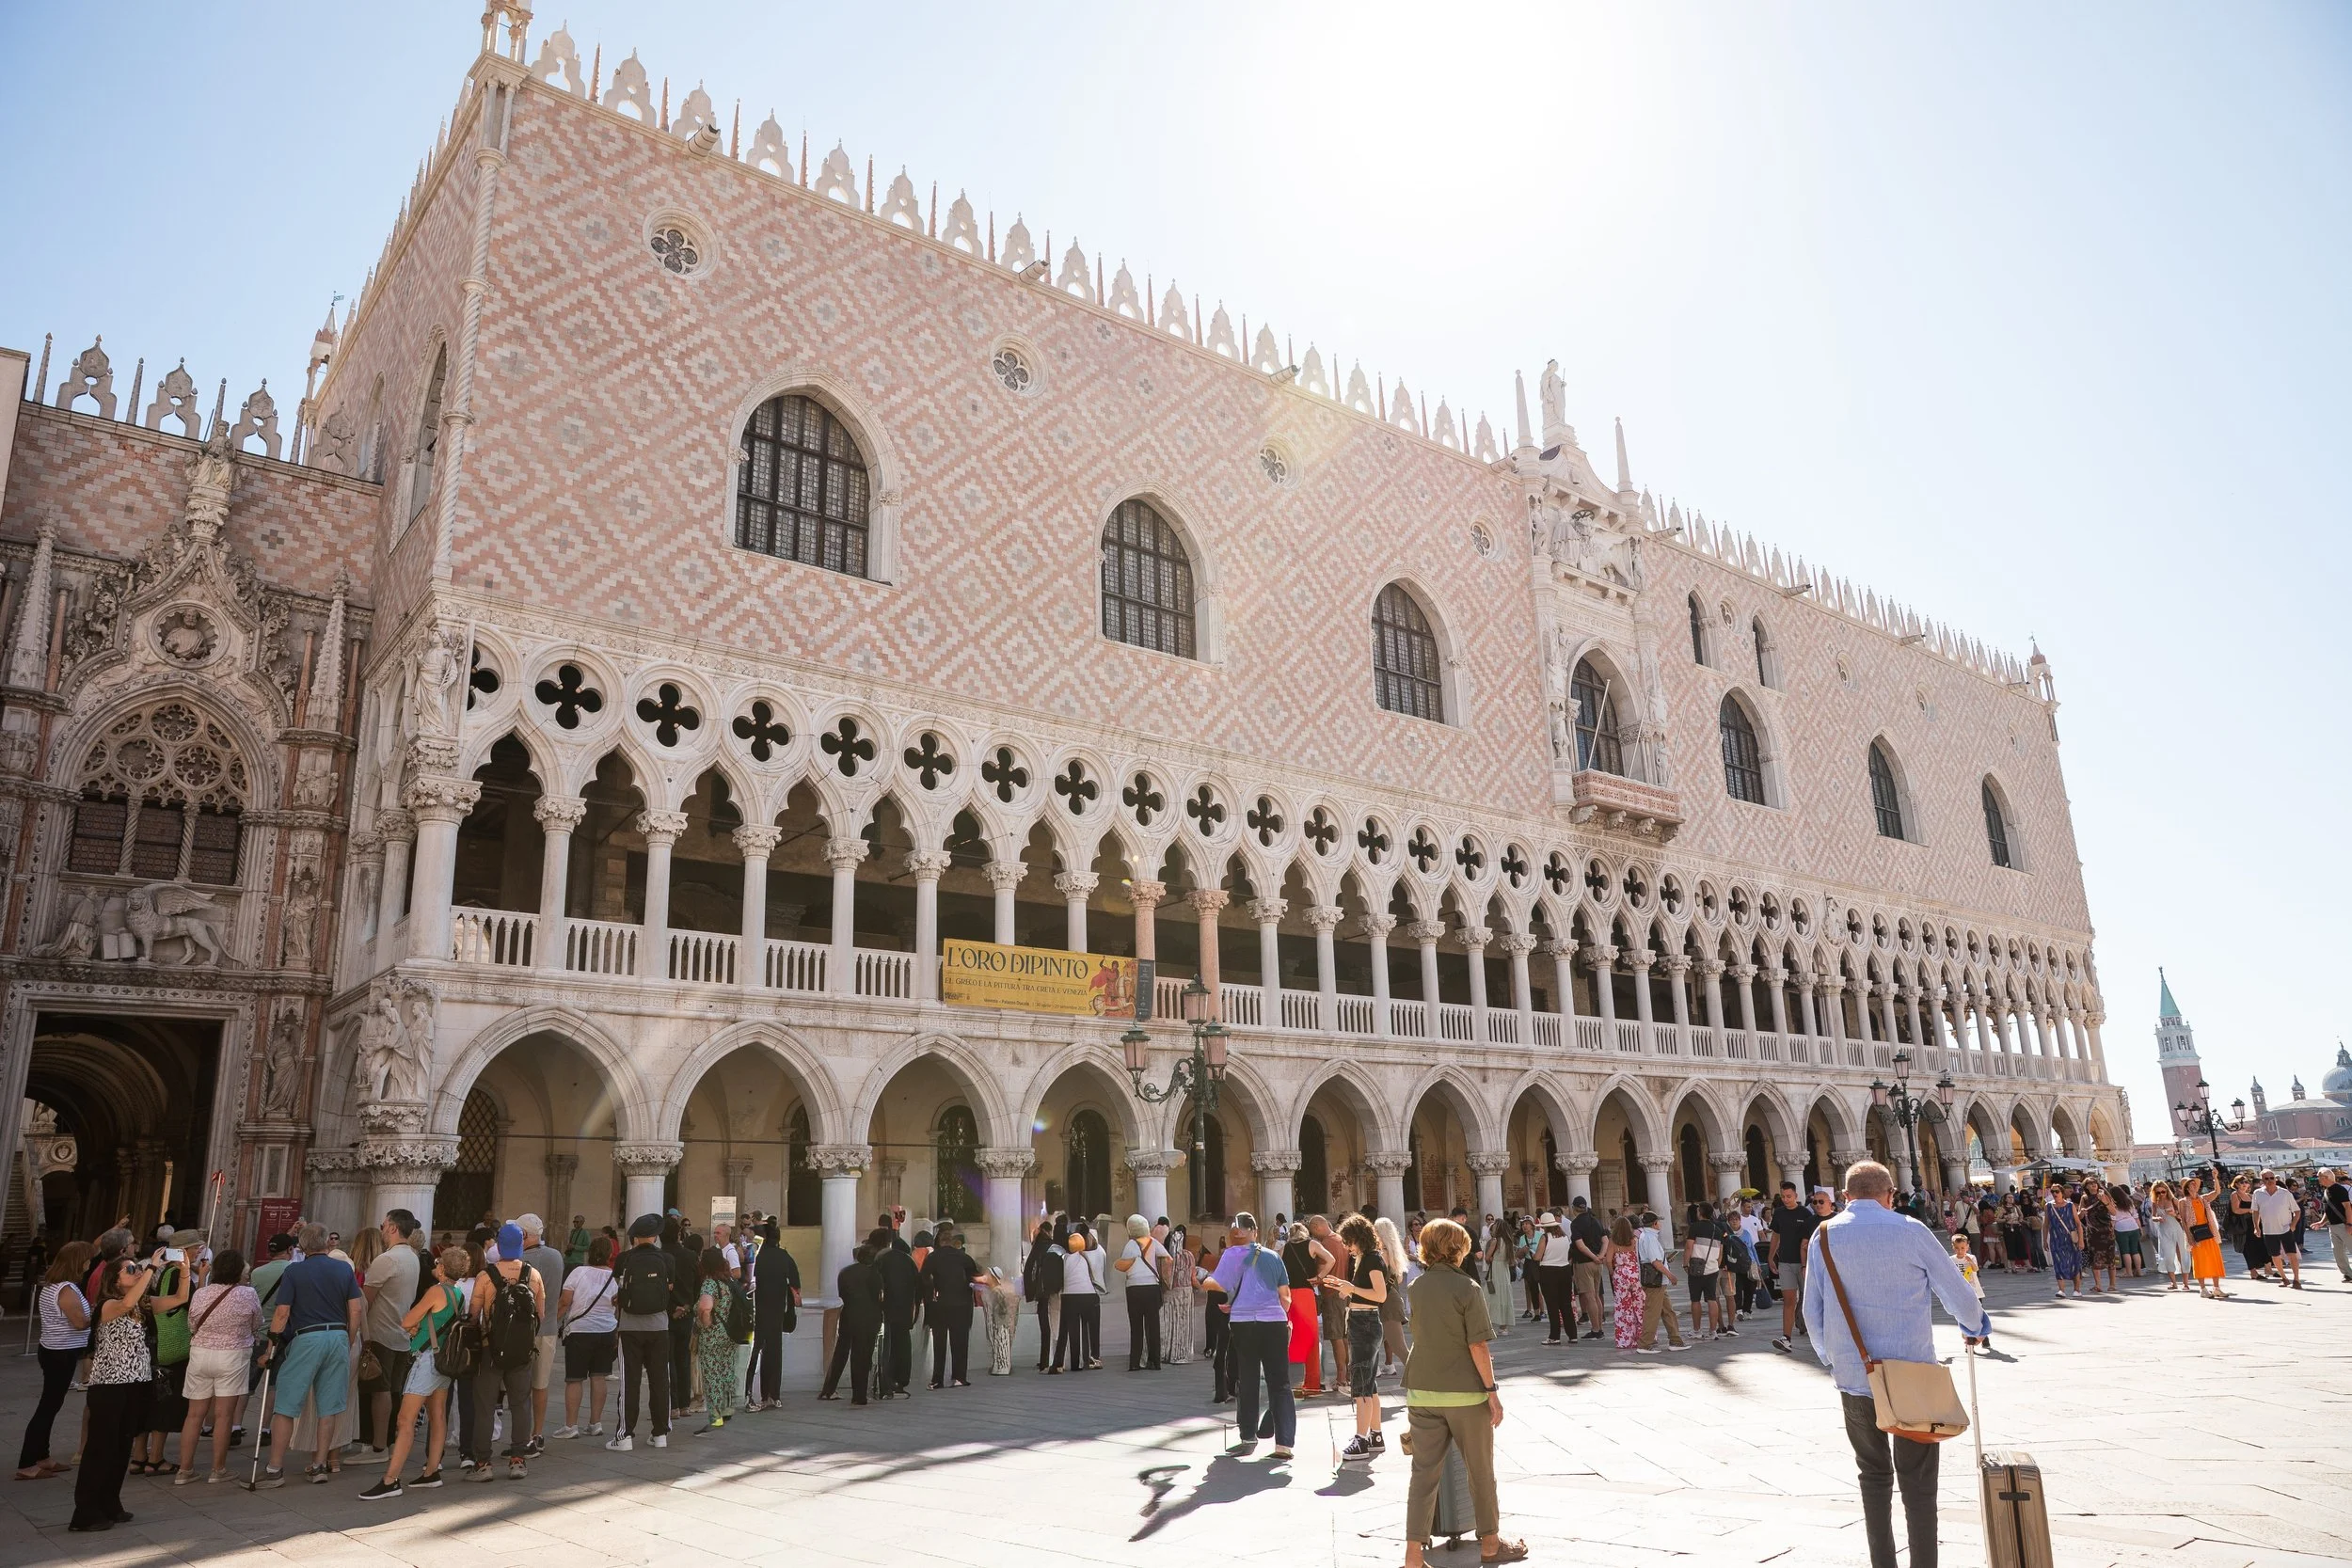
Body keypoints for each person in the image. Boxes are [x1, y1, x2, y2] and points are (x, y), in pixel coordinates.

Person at [1804, 1161, 1989, 1568]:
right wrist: (1975, 1325)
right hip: (1912, 1380)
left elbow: (1811, 1310)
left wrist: (1832, 1359)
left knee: (1872, 1476)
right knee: (1919, 1485)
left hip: (1856, 1379)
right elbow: (1955, 1291)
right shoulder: (1911, 1230)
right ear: (1890, 1196)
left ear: (1846, 1197)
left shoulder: (1824, 1236)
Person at [1400, 1218, 1524, 1567]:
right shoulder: (1468, 1287)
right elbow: (1478, 1345)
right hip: (1464, 1393)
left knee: (1423, 1475)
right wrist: (1492, 1391)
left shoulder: (1416, 1287)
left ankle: (1413, 1556)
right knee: (1480, 1471)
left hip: (1422, 1390)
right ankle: (1489, 1543)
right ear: (1459, 1248)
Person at [359, 1244, 471, 1499]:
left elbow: (408, 1320)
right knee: (438, 1415)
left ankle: (391, 1480)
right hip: (444, 1360)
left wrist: (415, 1327)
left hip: (427, 1360)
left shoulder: (435, 1291)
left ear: (442, 1268)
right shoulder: (458, 1293)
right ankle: (431, 1471)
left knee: (405, 1420)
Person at [255, 1223, 362, 1488]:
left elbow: (282, 1313)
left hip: (307, 1337)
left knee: (286, 1404)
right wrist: (347, 1340)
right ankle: (319, 1465)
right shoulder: (343, 1269)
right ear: (327, 1243)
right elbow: (356, 1310)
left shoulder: (295, 1271)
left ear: (302, 1246)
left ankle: (275, 1468)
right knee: (329, 1406)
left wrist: (271, 1349)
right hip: (337, 1335)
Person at [71, 1253, 159, 1532]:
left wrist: (184, 1272)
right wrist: (152, 1267)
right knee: (100, 1448)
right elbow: (127, 1302)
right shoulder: (108, 1305)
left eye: (137, 1268)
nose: (136, 1272)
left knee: (122, 1447)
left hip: (135, 1383)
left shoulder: (138, 1306)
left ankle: (110, 1503)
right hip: (109, 1385)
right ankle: (85, 1512)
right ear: (114, 1279)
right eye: (130, 1269)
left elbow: (179, 1299)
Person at [1204, 1212, 1295, 1461]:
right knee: (1280, 1383)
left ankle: (1248, 1437)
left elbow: (1218, 1284)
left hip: (1244, 1322)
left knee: (1248, 1378)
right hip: (1274, 1322)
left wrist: (1203, 1279)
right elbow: (1285, 1297)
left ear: (1236, 1232)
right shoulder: (1273, 1256)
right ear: (1254, 1231)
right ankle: (1284, 1445)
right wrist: (1278, 1315)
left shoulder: (1231, 1254)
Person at [173, 1248, 260, 1484]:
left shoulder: (201, 1293)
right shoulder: (248, 1294)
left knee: (194, 1415)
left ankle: (185, 1470)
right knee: (224, 1415)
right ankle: (218, 1469)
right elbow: (257, 1322)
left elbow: (191, 1322)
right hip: (233, 1355)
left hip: (201, 1353)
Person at [467, 1222, 545, 1478]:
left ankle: (483, 1464)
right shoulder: (533, 1275)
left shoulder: (485, 1276)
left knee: (485, 1406)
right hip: (522, 1352)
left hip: (491, 1349)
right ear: (521, 1245)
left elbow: (474, 1315)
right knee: (521, 1404)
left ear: (499, 1246)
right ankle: (518, 1460)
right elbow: (539, 1316)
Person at [17, 1240, 93, 1481]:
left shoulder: (54, 1285)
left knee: (52, 1404)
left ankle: (42, 1455)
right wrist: (102, 1312)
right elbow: (79, 1322)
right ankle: (27, 1462)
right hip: (60, 1352)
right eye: (87, 1259)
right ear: (78, 1262)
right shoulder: (66, 1289)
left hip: (55, 1349)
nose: (89, 1263)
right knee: (48, 1406)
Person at [609, 1214, 676, 1449]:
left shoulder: (624, 1259)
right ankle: (660, 1433)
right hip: (659, 1326)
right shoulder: (667, 1259)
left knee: (630, 1381)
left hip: (630, 1327)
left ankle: (625, 1435)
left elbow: (620, 1288)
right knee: (660, 1379)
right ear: (655, 1236)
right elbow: (669, 1289)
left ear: (634, 1237)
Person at [359, 1211, 421, 1466]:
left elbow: (366, 1300)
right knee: (393, 1389)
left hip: (381, 1333)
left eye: (383, 1225)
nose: (382, 1230)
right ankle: (391, 1441)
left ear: (394, 1228)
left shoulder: (386, 1259)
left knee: (379, 1389)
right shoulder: (413, 1257)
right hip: (401, 1333)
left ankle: (377, 1446)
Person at [1328, 1213, 1391, 1463]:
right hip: (1361, 1321)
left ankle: (1360, 1440)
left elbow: (1380, 1295)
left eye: (1349, 1241)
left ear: (1359, 1237)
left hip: (1365, 1323)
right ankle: (1375, 1435)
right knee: (1369, 1385)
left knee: (1361, 1386)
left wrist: (1352, 1288)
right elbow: (1365, 1293)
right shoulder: (1365, 1258)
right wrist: (1345, 1286)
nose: (1347, 1247)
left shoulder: (1372, 1259)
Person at [132, 1235, 194, 1475]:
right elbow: (186, 1301)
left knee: (147, 1399)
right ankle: (155, 1457)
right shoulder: (176, 1274)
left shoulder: (150, 1285)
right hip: (167, 1347)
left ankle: (139, 1455)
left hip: (147, 1349)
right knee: (164, 1400)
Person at [553, 1233, 618, 1437]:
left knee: (575, 1379)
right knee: (599, 1377)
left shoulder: (578, 1272)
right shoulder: (615, 1277)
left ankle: (571, 1426)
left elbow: (565, 1302)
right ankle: (595, 1423)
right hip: (606, 1330)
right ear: (609, 1255)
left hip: (580, 1331)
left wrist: (551, 1321)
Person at [515, 1213, 566, 1452]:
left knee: (521, 1384)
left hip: (523, 1330)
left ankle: (523, 1435)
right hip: (547, 1328)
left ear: (524, 1235)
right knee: (541, 1384)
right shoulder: (556, 1256)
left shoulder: (520, 1260)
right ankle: (538, 1432)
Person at [818, 1238, 885, 1404]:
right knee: (862, 1356)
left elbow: (842, 1295)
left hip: (849, 1315)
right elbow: (879, 1296)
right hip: (869, 1318)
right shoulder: (874, 1274)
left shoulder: (845, 1273)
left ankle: (829, 1388)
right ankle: (859, 1395)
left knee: (841, 1352)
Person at [920, 1225, 982, 1387]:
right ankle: (959, 1377)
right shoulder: (964, 1258)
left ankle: (937, 1379)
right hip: (961, 1305)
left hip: (940, 1305)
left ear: (940, 1242)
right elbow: (974, 1278)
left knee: (939, 1343)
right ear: (953, 1242)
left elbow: (924, 1279)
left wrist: (931, 1294)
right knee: (960, 1342)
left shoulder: (933, 1258)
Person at [748, 1224, 801, 1408]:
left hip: (761, 1309)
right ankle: (774, 1394)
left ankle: (760, 1394)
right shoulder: (784, 1257)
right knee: (775, 1352)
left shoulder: (758, 1256)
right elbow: (795, 1283)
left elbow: (750, 1282)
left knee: (759, 1350)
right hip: (778, 1310)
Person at [690, 1245, 739, 1433]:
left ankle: (715, 1416)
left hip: (713, 1335)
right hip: (729, 1333)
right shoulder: (728, 1281)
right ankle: (727, 1409)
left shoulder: (709, 1283)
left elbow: (705, 1307)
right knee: (726, 1370)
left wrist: (705, 1323)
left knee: (712, 1375)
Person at [1767, 1183, 1820, 1353]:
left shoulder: (1805, 1214)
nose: (1786, 1199)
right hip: (1786, 1262)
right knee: (1789, 1300)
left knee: (1809, 1299)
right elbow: (1776, 1235)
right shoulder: (1780, 1213)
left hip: (1804, 1263)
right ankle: (1786, 1338)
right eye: (1783, 1196)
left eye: (1789, 1196)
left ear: (1796, 1196)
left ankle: (1816, 1335)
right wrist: (1771, 1256)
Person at [1280, 1221, 1329, 1394]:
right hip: (1306, 1294)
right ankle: (1312, 1383)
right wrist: (1319, 1277)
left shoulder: (1284, 1249)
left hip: (1288, 1295)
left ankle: (1288, 1381)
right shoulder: (1312, 1244)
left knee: (1290, 1337)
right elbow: (1331, 1259)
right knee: (1311, 1338)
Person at [874, 1215, 920, 1397]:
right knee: (903, 1343)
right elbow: (919, 1286)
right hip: (904, 1309)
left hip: (888, 1308)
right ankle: (902, 1378)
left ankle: (888, 1377)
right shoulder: (909, 1262)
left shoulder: (882, 1259)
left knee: (888, 1345)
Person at [1116, 1215, 1167, 1371]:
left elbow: (1123, 1264)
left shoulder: (1130, 1244)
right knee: (1153, 1326)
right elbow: (1167, 1256)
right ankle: (1155, 1361)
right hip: (1151, 1286)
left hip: (1134, 1288)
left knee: (1136, 1326)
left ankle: (1135, 1362)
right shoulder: (1152, 1242)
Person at [1632, 1212, 1687, 1353]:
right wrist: (1670, 1275)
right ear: (1655, 1223)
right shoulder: (1650, 1238)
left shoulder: (1645, 1236)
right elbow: (1654, 1261)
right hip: (1656, 1281)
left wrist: (1666, 1262)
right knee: (1652, 1312)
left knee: (1668, 1311)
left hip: (1657, 1280)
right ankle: (1645, 1343)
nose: (1660, 1224)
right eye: (1659, 1221)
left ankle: (1675, 1339)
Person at [1052, 1227, 1103, 1372]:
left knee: (1070, 1329)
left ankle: (1075, 1362)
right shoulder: (1091, 1256)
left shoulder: (1065, 1258)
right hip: (1089, 1295)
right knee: (1092, 1328)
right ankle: (1094, 1358)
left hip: (1069, 1296)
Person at [1373, 1215, 1411, 1377]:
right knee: (1376, 1343)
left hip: (1386, 1301)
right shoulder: (1394, 1251)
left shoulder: (1381, 1254)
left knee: (1399, 1347)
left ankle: (1421, 1376)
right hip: (1391, 1298)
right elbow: (1400, 1278)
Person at [1684, 1202, 1726, 1341]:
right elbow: (1720, 1251)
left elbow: (1689, 1247)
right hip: (1712, 1268)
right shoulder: (1718, 1229)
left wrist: (1686, 1263)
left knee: (1695, 1300)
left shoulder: (1694, 1227)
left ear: (1700, 1213)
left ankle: (1697, 1330)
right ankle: (1713, 1331)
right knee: (1712, 1299)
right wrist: (1716, 1264)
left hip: (1696, 1268)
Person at [1531, 1212, 1574, 1345]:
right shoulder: (1565, 1237)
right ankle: (1573, 1334)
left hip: (1549, 1271)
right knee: (1566, 1304)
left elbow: (1537, 1257)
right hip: (1565, 1270)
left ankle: (1554, 1335)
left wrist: (1533, 1254)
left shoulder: (1545, 1237)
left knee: (1552, 1305)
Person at [1160, 1223, 1197, 1366]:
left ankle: (1168, 1353)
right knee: (1183, 1324)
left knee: (1170, 1323)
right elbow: (1193, 1276)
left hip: (1171, 1293)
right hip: (1186, 1292)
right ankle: (1182, 1352)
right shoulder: (1189, 1255)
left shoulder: (1165, 1257)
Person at [2045, 1184, 2083, 1299]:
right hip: (2056, 1239)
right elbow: (2046, 1224)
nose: (2055, 1194)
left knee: (2074, 1262)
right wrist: (2044, 1240)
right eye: (2053, 1192)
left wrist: (2081, 1240)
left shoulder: (2070, 1205)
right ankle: (2061, 1289)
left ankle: (2077, 1289)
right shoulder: (2049, 1206)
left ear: (2062, 1193)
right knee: (2058, 1263)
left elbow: (2078, 1223)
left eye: (2057, 1191)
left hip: (2071, 1239)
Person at [1479, 1215, 1515, 1338]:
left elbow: (1487, 1257)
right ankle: (1504, 1326)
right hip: (1504, 1271)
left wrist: (1492, 1260)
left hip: (1495, 1270)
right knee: (1504, 1295)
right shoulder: (1509, 1241)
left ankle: (1488, 1324)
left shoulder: (1495, 1241)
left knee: (1490, 1295)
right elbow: (1511, 1260)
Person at [2320, 1168, 2352, 1284]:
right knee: (2337, 1252)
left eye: (2320, 1177)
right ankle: (2348, 1274)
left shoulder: (2339, 1190)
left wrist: (2349, 1224)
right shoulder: (2326, 1191)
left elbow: (2348, 1207)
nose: (2318, 1180)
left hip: (2343, 1224)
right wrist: (2321, 1222)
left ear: (2326, 1178)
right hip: (2333, 1226)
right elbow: (2327, 1210)